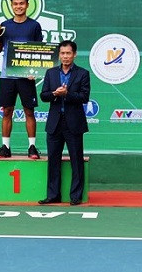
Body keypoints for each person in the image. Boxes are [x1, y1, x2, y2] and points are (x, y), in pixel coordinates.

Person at [0, 0, 43, 159]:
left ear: (27, 5)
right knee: (7, 112)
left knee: (29, 112)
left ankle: (32, 147)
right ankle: (5, 147)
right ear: (11, 5)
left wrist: (35, 71)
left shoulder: (34, 26)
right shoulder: (4, 25)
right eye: (15, 4)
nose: (19, 6)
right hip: (7, 76)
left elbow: (39, 50)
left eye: (22, 3)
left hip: (26, 75)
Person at [38, 40, 91, 206]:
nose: (65, 56)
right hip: (54, 123)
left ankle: (75, 196)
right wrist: (55, 93)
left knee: (76, 160)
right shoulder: (51, 73)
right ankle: (53, 195)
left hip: (74, 123)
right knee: (53, 160)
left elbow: (84, 97)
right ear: (59, 55)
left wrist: (67, 94)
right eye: (62, 53)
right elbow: (43, 95)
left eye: (68, 53)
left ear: (74, 54)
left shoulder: (83, 73)